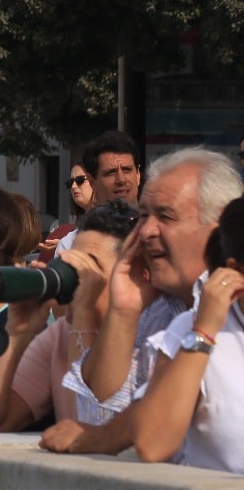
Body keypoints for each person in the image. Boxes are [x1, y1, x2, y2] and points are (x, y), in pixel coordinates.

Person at [40, 147, 244, 452]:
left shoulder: (225, 309)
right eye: (144, 215)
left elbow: (124, 438)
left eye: (166, 216)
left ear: (217, 229)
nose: (146, 231)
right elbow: (99, 417)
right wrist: (123, 310)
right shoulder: (163, 311)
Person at [0, 201, 140, 433]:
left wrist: (83, 315)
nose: (76, 274)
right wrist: (17, 332)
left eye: (89, 265)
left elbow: (91, 424)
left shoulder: (150, 335)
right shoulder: (60, 334)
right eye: (72, 261)